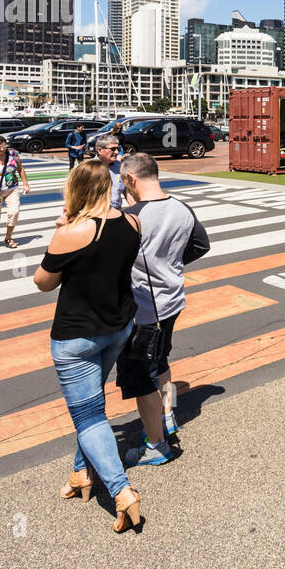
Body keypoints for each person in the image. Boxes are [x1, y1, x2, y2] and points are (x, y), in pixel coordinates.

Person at [33, 161, 144, 534]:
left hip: (76, 336)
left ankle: (121, 491)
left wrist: (61, 230)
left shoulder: (75, 231)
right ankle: (81, 474)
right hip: (118, 326)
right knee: (92, 404)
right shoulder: (131, 223)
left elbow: (43, 283)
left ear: (76, 189)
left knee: (88, 416)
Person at [117, 153, 210, 466]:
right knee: (162, 359)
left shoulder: (131, 215)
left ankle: (156, 444)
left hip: (143, 310)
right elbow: (200, 245)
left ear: (130, 179)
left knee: (141, 378)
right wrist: (169, 265)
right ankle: (168, 415)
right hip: (172, 300)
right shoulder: (182, 207)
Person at [0, 136, 32, 251]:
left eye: (4, 146)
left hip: (12, 189)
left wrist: (25, 183)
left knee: (14, 212)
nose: (3, 149)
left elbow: (20, 169)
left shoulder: (13, 155)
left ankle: (8, 237)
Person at [93, 134, 125, 209]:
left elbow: (128, 193)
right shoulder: (88, 168)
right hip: (96, 213)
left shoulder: (120, 166)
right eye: (113, 149)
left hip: (116, 212)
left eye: (118, 149)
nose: (117, 152)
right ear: (100, 150)